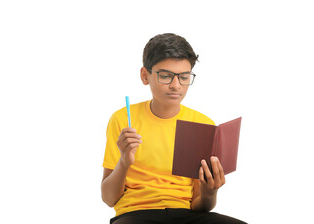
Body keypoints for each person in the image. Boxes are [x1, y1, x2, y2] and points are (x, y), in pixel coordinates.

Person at [101, 33, 246, 224]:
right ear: (145, 75)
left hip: (187, 215)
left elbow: (200, 205)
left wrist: (210, 192)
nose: (176, 86)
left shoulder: (202, 125)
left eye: (184, 77)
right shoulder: (123, 120)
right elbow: (109, 199)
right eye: (166, 76)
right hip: (136, 214)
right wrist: (124, 162)